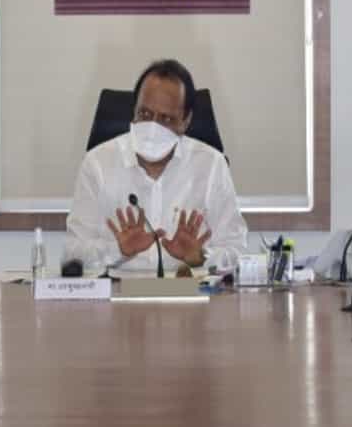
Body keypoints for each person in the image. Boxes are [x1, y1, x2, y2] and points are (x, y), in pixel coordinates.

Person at [66, 59, 248, 273]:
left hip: (187, 289)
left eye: (166, 119)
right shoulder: (97, 163)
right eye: (144, 114)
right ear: (133, 111)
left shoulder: (211, 165)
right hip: (118, 289)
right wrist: (117, 250)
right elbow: (72, 254)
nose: (153, 127)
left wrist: (200, 257)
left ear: (186, 121)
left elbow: (237, 251)